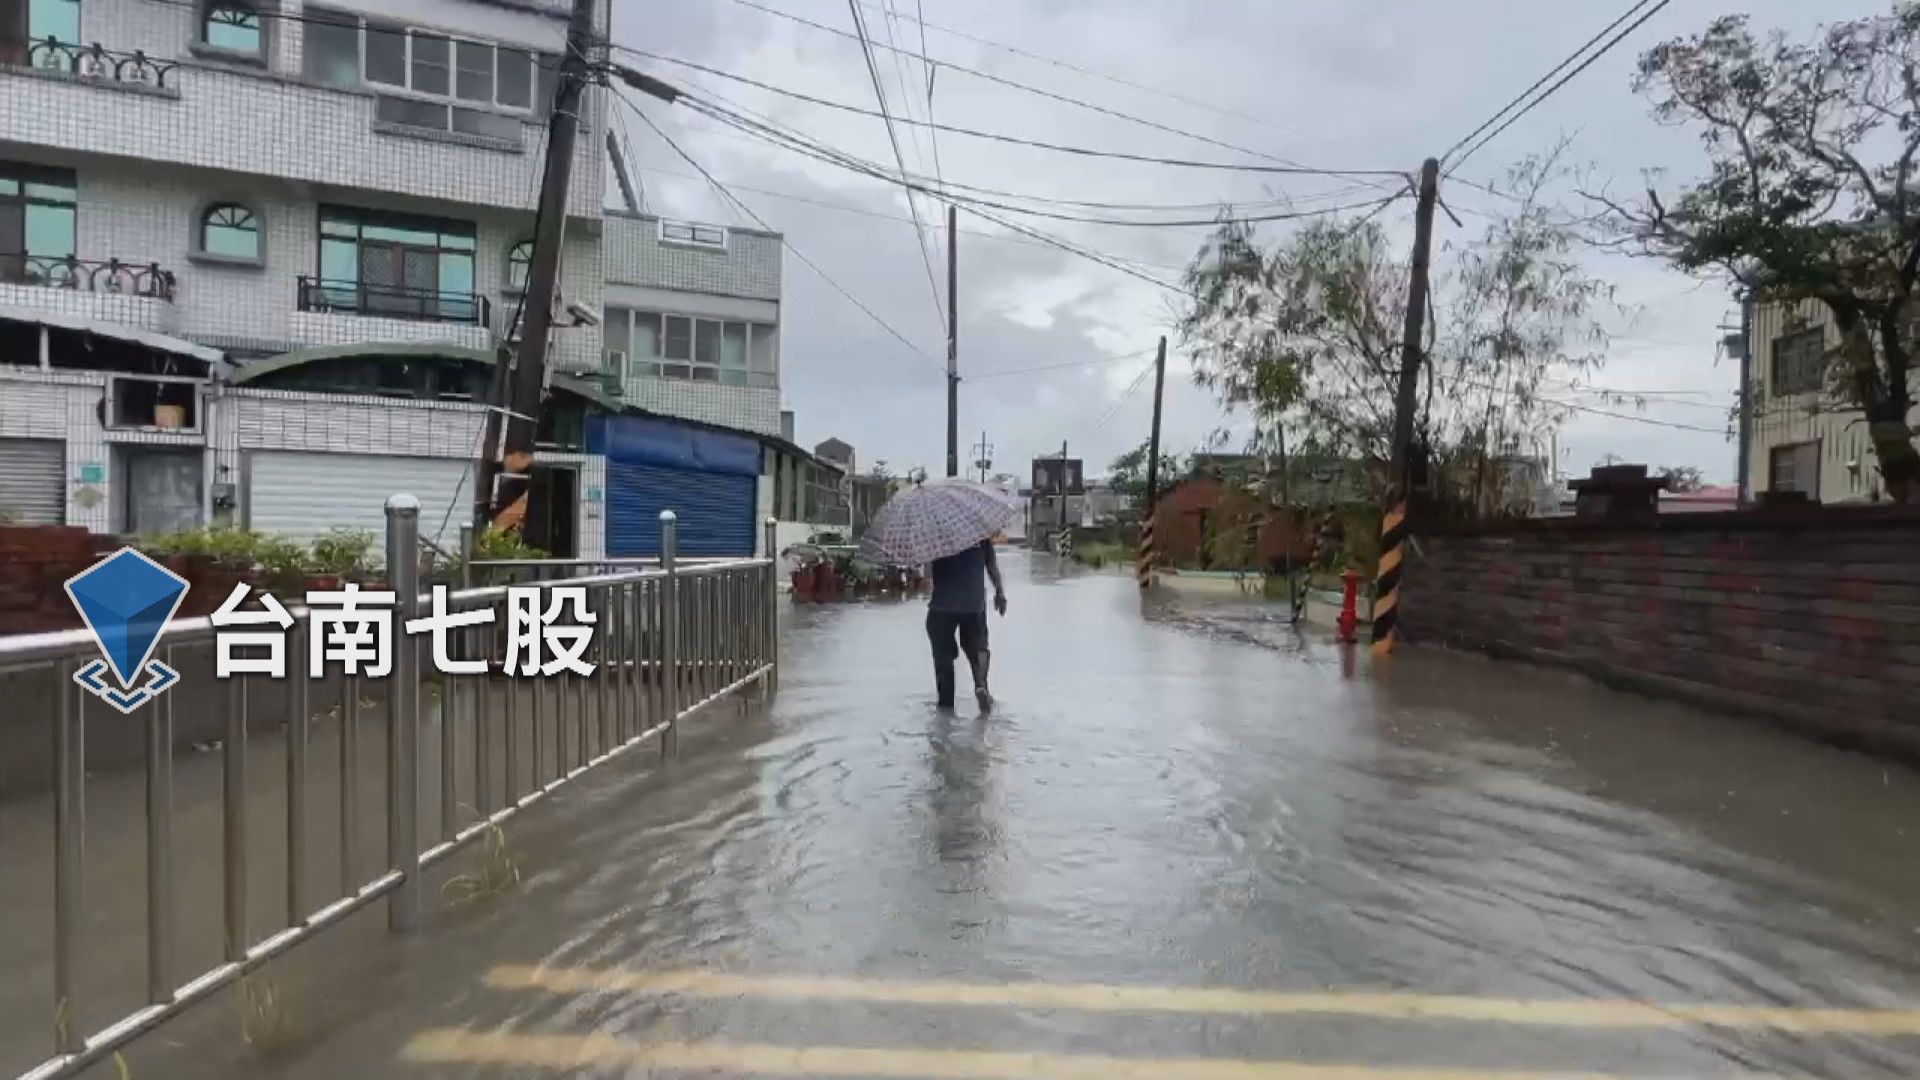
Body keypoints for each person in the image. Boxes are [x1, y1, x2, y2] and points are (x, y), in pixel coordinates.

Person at [925, 538, 1006, 710]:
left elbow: (926, 575)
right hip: (973, 603)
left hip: (942, 605)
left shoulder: (934, 534)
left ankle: (946, 708)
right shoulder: (977, 530)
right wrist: (999, 591)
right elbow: (991, 566)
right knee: (979, 648)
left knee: (944, 660)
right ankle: (980, 684)